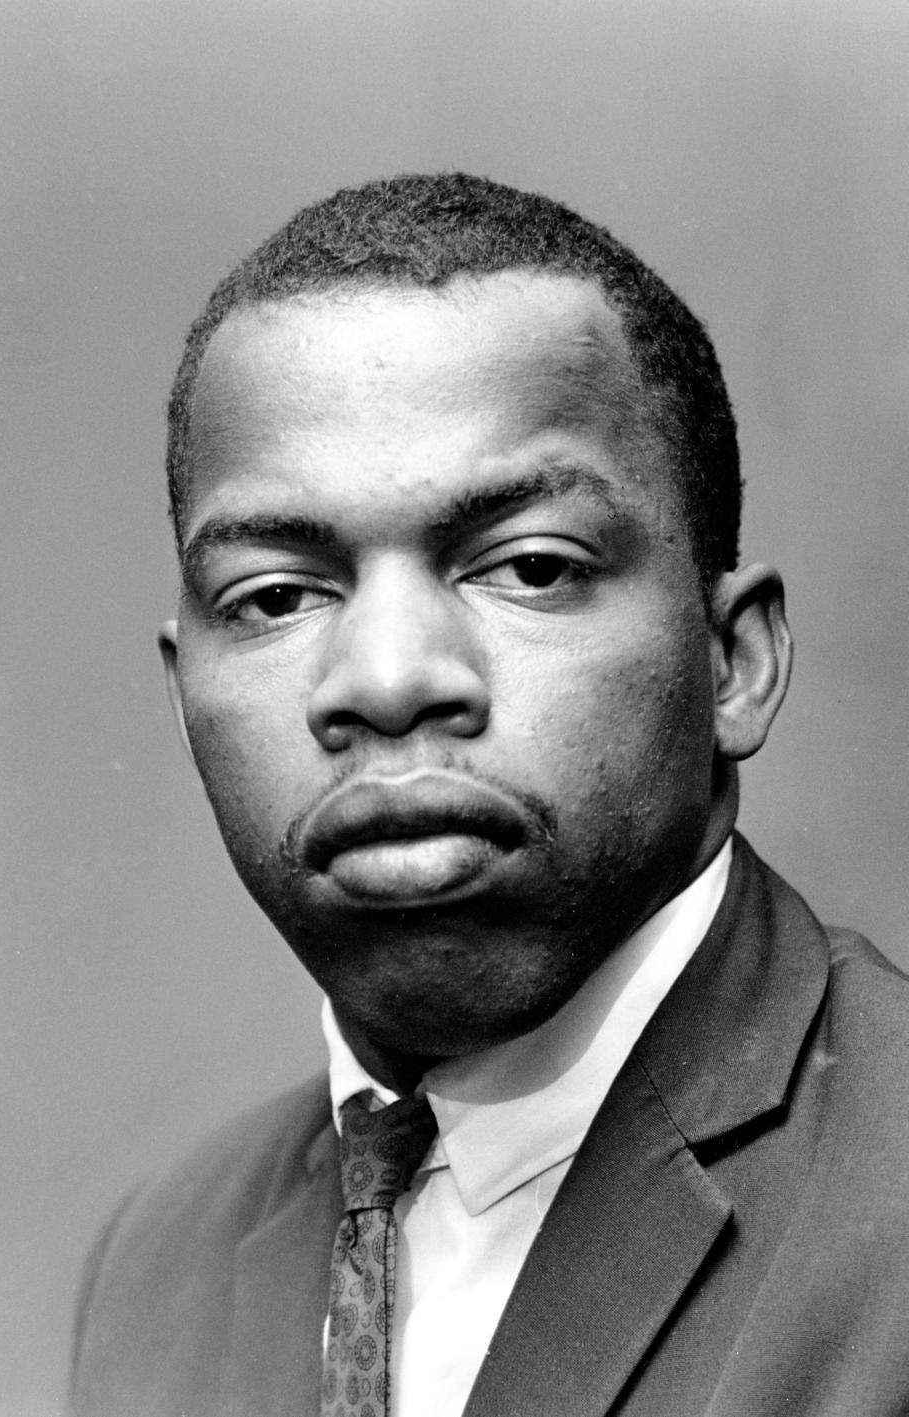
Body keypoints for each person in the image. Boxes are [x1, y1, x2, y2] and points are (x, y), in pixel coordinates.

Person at [69, 173, 909, 1417]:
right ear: (182, 689)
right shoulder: (155, 1266)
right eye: (277, 596)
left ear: (734, 660)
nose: (390, 679)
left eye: (528, 567)